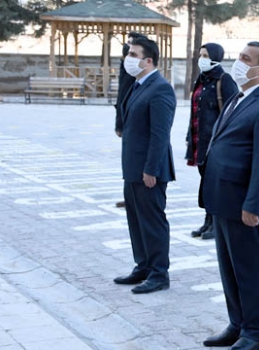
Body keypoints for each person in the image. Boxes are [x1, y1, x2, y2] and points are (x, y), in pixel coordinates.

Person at [202, 42, 259, 350]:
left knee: (249, 270)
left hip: (248, 204)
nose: (237, 63)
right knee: (230, 268)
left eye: (245, 59)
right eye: (239, 56)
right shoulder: (239, 97)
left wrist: (253, 205)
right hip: (224, 199)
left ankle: (255, 333)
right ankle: (237, 324)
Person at [113, 36, 176, 294]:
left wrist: (151, 169)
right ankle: (143, 266)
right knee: (136, 220)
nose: (129, 59)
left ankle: (159, 273)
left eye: (134, 55)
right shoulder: (138, 85)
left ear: (149, 61)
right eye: (129, 54)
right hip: (133, 167)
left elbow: (160, 134)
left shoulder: (160, 88)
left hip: (149, 169)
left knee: (152, 221)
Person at [186, 43, 238, 240]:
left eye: (206, 55)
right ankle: (207, 221)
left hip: (216, 143)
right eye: (201, 54)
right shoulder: (201, 80)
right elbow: (195, 111)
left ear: (216, 56)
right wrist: (188, 137)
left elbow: (232, 112)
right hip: (200, 141)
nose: (202, 58)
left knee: (215, 185)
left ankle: (216, 225)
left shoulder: (224, 80)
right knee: (205, 184)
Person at [114, 31, 146, 209]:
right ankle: (129, 194)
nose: (128, 54)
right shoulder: (126, 63)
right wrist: (119, 121)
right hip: (125, 115)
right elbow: (121, 95)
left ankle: (136, 196)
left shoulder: (138, 66)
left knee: (137, 157)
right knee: (128, 159)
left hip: (134, 116)